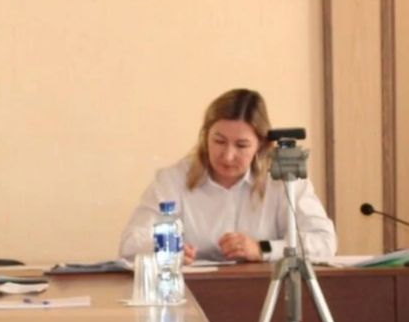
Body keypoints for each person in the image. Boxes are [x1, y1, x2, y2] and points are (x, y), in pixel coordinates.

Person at [119, 88, 337, 264]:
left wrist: (263, 249)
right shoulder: (172, 180)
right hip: (190, 293)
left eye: (241, 145)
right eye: (219, 141)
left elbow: (324, 241)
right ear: (205, 137)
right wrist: (164, 248)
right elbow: (129, 245)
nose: (228, 155)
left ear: (261, 145)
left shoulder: (284, 180)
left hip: (266, 292)